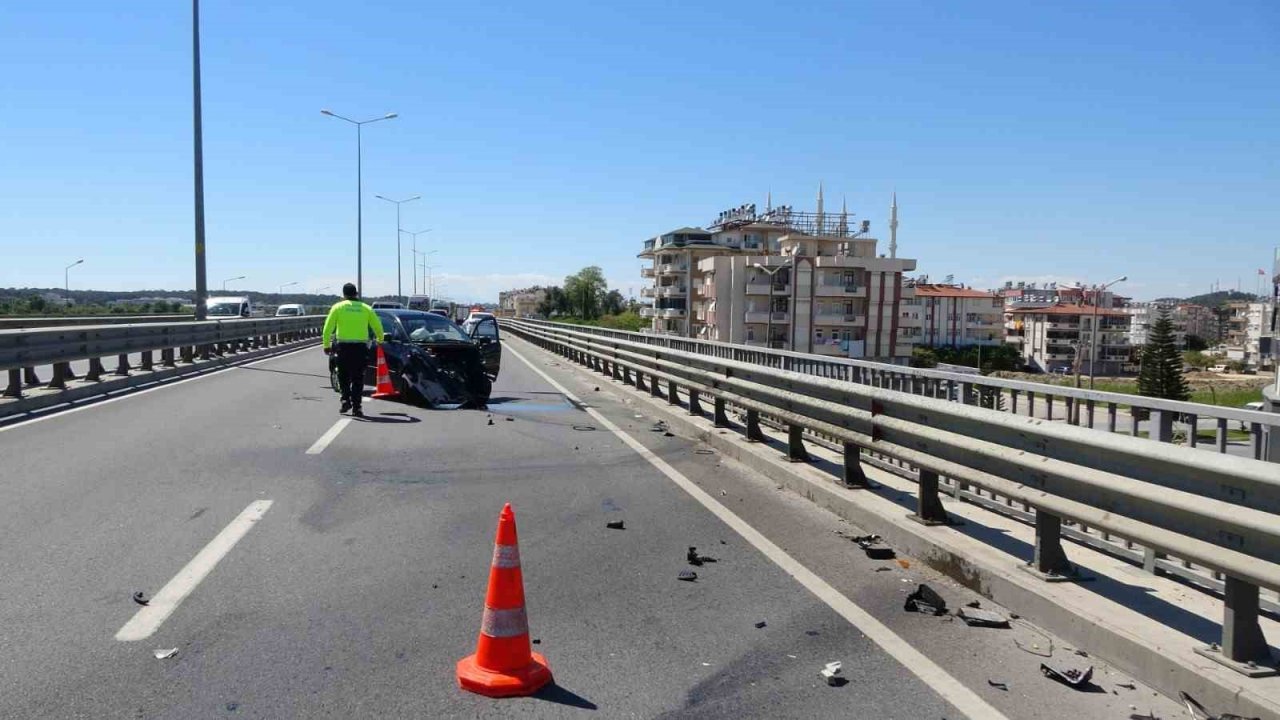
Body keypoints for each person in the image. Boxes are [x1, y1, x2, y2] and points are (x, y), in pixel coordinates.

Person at [322, 283, 385, 417]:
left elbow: (327, 328)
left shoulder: (337, 307)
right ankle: (357, 407)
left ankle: (345, 399)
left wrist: (326, 345)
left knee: (343, 375)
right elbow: (378, 326)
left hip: (342, 347)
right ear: (356, 293)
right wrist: (380, 340)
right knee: (358, 378)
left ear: (343, 294)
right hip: (360, 348)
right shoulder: (366, 308)